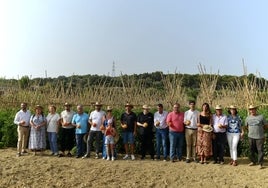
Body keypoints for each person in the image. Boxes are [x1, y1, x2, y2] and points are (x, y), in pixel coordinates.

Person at [245, 105, 268, 169]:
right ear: (249, 111)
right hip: (251, 136)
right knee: (251, 150)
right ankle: (253, 161)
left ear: (256, 109)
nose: (252, 110)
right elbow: (246, 127)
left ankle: (260, 163)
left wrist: (260, 130)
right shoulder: (247, 118)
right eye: (250, 109)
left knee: (260, 150)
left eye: (253, 109)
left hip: (260, 136)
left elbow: (266, 126)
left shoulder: (261, 117)